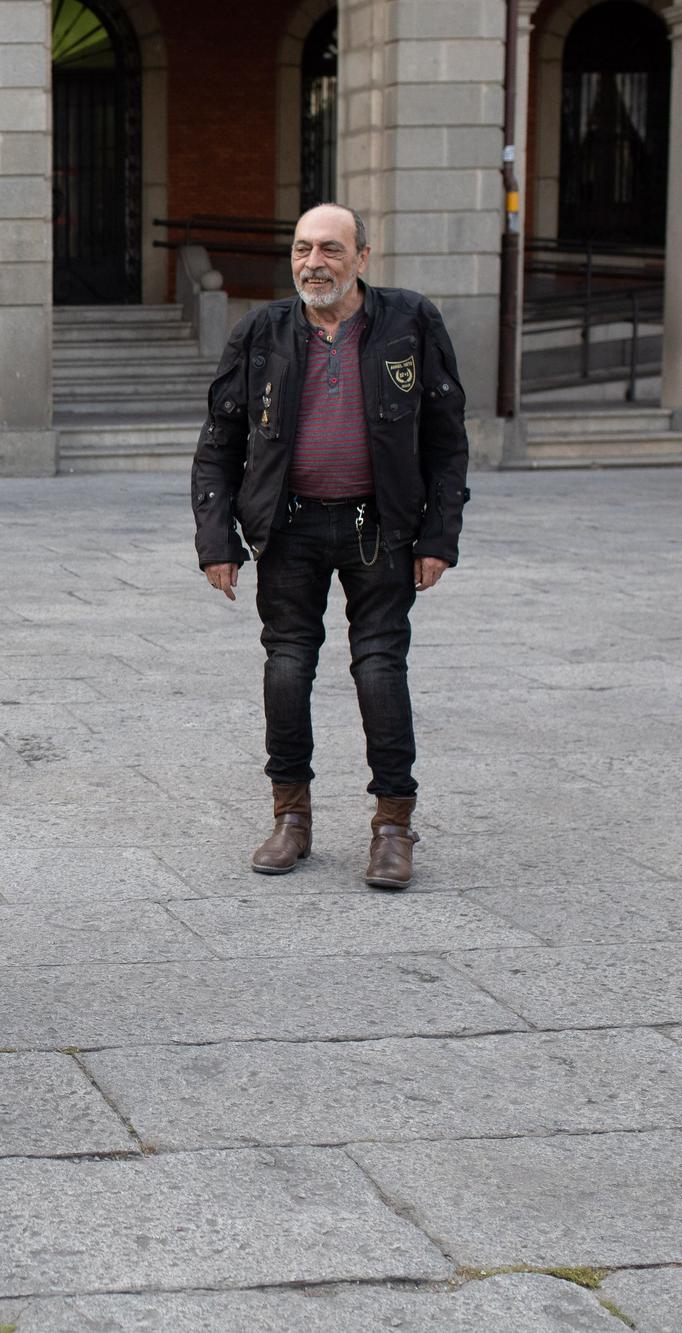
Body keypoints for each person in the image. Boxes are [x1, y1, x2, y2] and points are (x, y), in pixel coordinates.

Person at [191, 202, 469, 890]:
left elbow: (446, 439)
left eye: (331, 250)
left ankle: (393, 827)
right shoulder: (259, 331)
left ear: (363, 258)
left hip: (382, 530)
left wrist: (440, 535)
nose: (313, 262)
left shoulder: (410, 321)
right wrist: (215, 538)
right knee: (286, 666)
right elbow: (218, 443)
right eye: (302, 249)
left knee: (379, 667)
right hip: (288, 528)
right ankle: (291, 817)